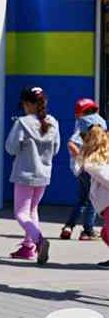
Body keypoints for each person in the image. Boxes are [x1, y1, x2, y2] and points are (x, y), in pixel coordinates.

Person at [6, 85, 61, 264]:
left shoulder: (22, 123)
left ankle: (38, 240)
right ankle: (29, 247)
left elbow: (11, 148)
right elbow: (56, 149)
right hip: (44, 174)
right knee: (32, 210)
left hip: (25, 173)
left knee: (21, 213)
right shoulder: (53, 122)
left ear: (27, 104)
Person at [59, 98, 101, 242]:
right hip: (94, 167)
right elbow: (72, 144)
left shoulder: (83, 122)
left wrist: (81, 160)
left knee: (82, 199)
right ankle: (88, 231)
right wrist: (86, 160)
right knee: (93, 199)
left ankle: (68, 227)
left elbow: (71, 144)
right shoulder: (98, 121)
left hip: (84, 168)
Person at [78, 118, 109, 262]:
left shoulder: (95, 164)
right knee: (105, 233)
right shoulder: (102, 159)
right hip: (105, 206)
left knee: (107, 232)